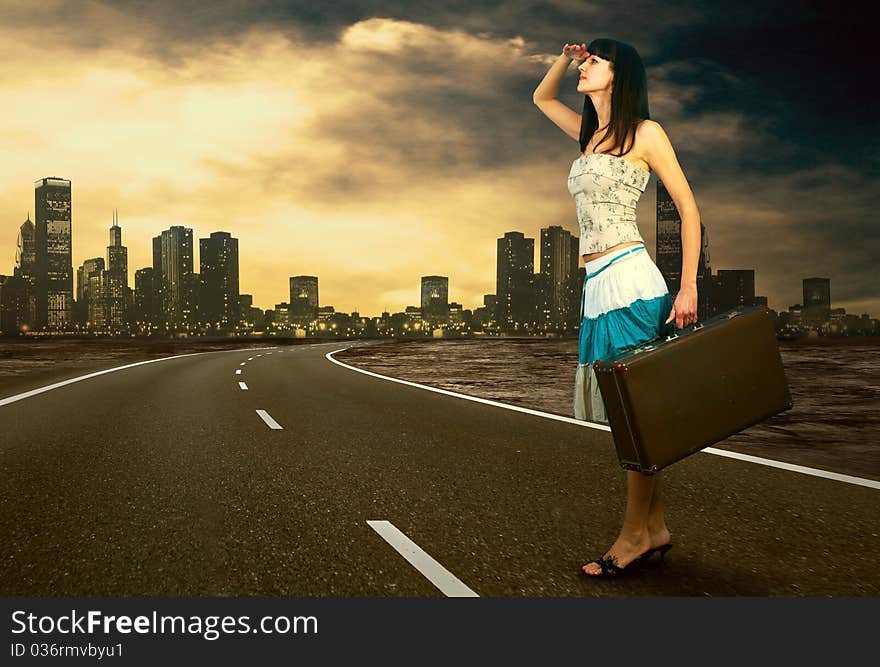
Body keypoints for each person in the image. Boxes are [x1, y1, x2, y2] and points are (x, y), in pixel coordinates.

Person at [533, 38, 700, 576]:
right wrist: (564, 57)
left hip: (630, 278)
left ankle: (632, 537)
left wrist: (688, 285)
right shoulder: (590, 135)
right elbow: (540, 98)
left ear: (620, 74)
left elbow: (688, 209)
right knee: (629, 418)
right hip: (597, 284)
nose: (585, 67)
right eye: (585, 60)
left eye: (595, 61)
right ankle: (653, 529)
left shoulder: (645, 133)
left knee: (634, 419)